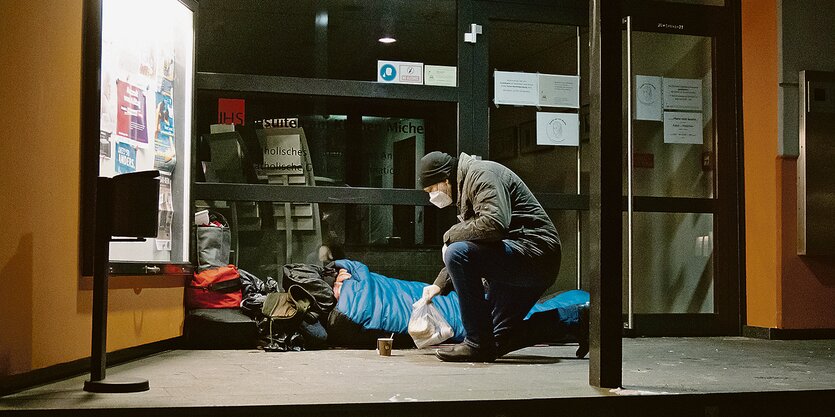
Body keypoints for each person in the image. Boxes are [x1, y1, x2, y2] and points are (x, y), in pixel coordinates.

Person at [419, 151, 589, 362]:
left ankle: (476, 343)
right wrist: (439, 284)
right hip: (517, 259)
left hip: (536, 254)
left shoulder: (481, 175)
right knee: (494, 341)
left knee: (456, 251)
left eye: (432, 189)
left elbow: (494, 225)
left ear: (445, 178)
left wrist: (449, 236)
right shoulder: (467, 185)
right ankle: (578, 319)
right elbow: (478, 240)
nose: (432, 196)